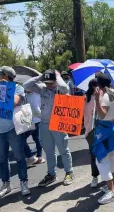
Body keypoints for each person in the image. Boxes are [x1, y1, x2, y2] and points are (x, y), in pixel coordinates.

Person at [24, 69, 75, 187]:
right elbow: (26, 85)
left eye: (50, 82)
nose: (48, 85)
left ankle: (69, 172)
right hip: (44, 124)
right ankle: (51, 174)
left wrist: (57, 76)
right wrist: (40, 77)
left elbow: (65, 88)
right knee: (49, 151)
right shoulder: (42, 88)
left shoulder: (60, 89)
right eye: (46, 82)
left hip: (59, 123)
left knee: (63, 149)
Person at [0, 66, 30, 198]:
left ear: (6, 76)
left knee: (19, 157)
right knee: (2, 159)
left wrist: (5, 89)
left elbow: (14, 103)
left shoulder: (18, 88)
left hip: (13, 129)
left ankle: (24, 183)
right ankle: (6, 184)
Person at [93, 74, 114, 205]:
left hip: (104, 129)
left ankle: (112, 191)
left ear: (100, 85)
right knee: (112, 157)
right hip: (112, 127)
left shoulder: (104, 96)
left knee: (101, 160)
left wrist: (96, 99)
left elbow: (102, 114)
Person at [84, 78, 100, 188]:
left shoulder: (104, 97)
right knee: (93, 154)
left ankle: (106, 174)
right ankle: (95, 176)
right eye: (95, 86)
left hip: (103, 130)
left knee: (105, 153)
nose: (97, 89)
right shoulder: (86, 98)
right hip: (90, 130)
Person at [24, 90, 45, 166]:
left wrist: (43, 118)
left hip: (33, 121)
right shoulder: (30, 94)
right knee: (37, 138)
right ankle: (39, 157)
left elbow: (36, 109)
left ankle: (31, 157)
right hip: (33, 120)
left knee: (21, 139)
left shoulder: (33, 95)